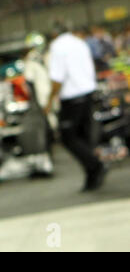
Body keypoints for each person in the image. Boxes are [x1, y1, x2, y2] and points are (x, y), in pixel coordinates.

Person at [45, 23, 107, 192]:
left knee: (68, 137)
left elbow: (57, 78)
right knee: (84, 138)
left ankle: (96, 165)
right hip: (87, 93)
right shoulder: (79, 42)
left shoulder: (57, 46)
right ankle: (92, 176)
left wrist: (49, 100)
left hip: (72, 97)